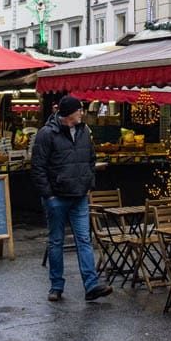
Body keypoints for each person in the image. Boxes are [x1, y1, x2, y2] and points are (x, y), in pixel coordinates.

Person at [31, 94, 113, 303]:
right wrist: (48, 195)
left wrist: (88, 184)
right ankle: (56, 286)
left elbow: (91, 158)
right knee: (56, 241)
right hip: (57, 197)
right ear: (69, 114)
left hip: (79, 196)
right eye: (79, 110)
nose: (82, 113)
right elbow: (38, 167)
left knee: (84, 239)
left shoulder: (84, 131)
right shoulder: (46, 134)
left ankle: (91, 285)